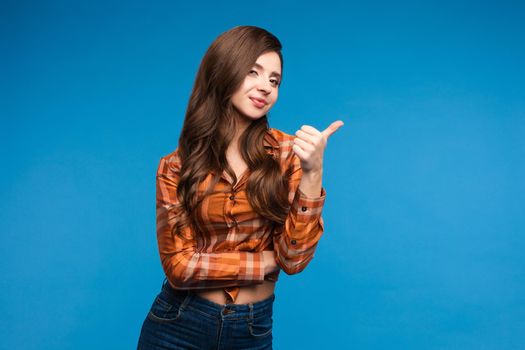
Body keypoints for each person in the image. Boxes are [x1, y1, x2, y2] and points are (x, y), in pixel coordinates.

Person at [137, 25, 343, 350]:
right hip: (177, 324)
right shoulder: (176, 166)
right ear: (224, 72)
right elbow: (179, 267)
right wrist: (264, 262)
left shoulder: (291, 155)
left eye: (274, 80)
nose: (266, 88)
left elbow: (294, 259)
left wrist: (313, 170)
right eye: (253, 73)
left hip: (252, 328)